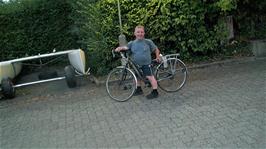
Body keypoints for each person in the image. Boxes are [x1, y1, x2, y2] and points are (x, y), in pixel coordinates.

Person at [115, 25, 161, 99]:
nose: (140, 34)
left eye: (142, 32)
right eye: (138, 32)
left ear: (144, 33)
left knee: (150, 77)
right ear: (135, 33)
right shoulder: (132, 43)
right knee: (137, 77)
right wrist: (119, 48)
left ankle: (155, 92)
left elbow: (156, 49)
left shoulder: (148, 42)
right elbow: (125, 47)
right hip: (136, 65)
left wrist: (157, 57)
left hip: (146, 64)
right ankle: (139, 89)